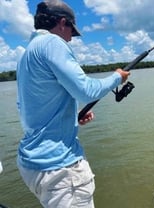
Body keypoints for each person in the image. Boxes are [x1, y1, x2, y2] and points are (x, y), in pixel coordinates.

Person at [16, 1, 130, 208]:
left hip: (32, 166)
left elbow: (25, 107)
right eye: (71, 32)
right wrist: (117, 77)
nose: (71, 38)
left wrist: (71, 117)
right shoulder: (52, 43)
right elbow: (87, 91)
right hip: (59, 168)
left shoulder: (26, 54)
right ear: (62, 23)